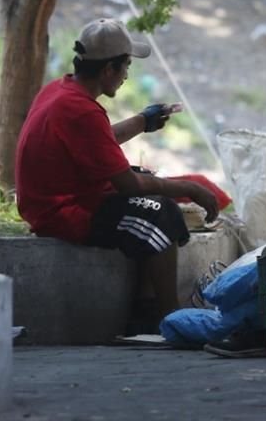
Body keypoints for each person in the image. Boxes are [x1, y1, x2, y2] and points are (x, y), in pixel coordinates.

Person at [15, 18, 219, 327]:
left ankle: (144, 308)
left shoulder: (60, 90)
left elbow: (96, 142)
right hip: (62, 212)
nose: (126, 76)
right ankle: (171, 319)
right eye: (125, 67)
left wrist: (142, 121)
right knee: (161, 214)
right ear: (109, 69)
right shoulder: (82, 110)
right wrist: (190, 188)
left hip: (65, 198)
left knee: (151, 196)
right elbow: (129, 184)